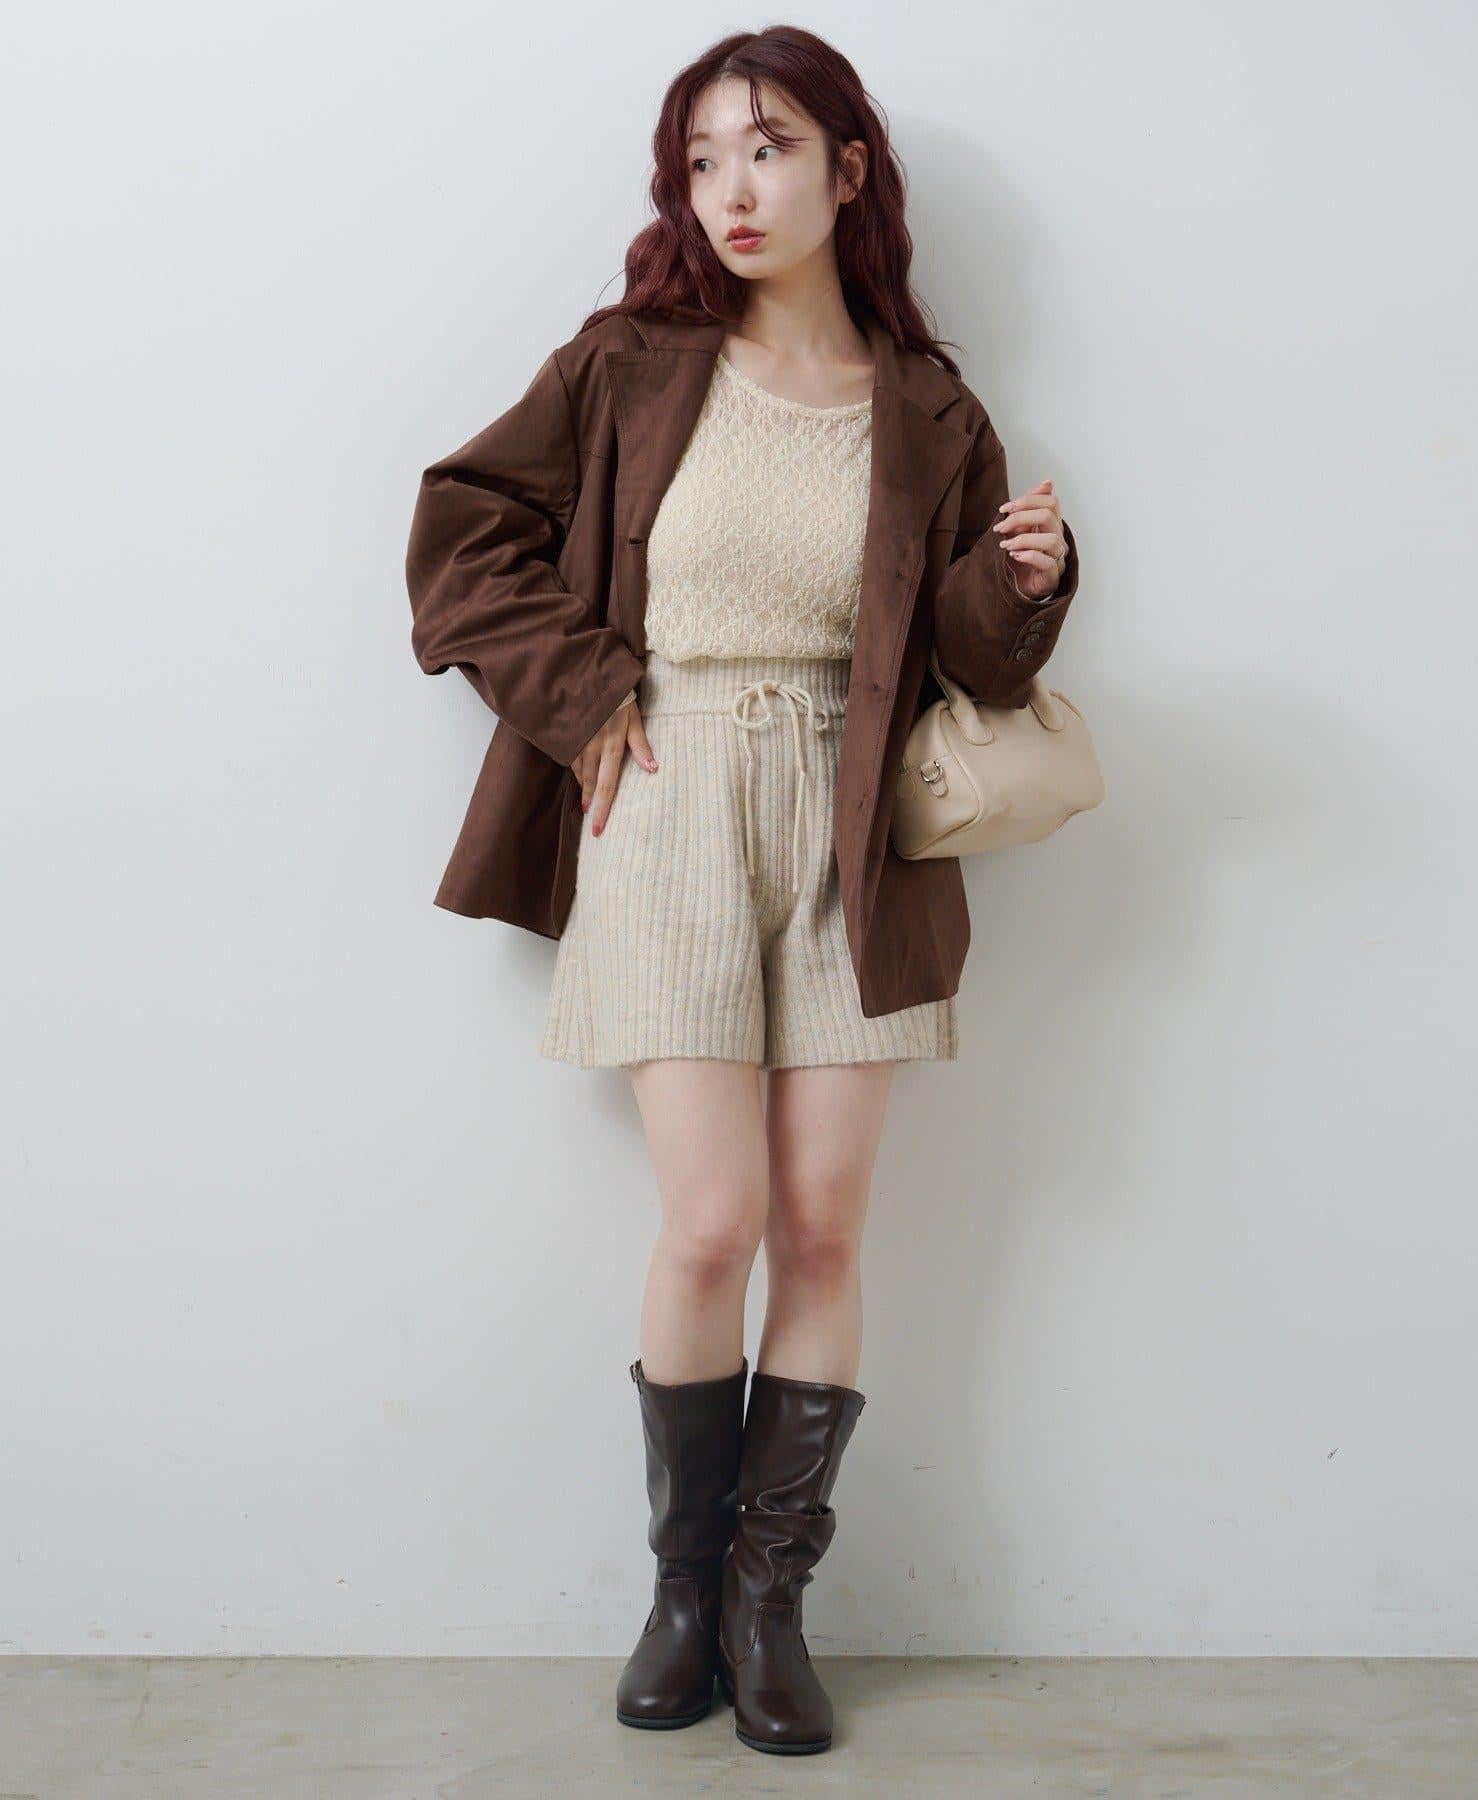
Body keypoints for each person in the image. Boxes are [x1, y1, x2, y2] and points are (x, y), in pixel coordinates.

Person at [405, 24, 1079, 1758]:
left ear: (848, 170)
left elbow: (965, 664)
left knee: (825, 1227)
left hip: (854, 827)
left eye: (767, 149)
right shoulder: (626, 365)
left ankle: (774, 1605)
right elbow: (460, 530)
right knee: (712, 1222)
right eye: (701, 160)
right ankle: (682, 1594)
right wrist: (586, 695)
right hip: (672, 800)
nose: (731, 190)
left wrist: (1026, 581)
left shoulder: (931, 410)